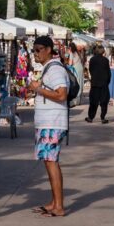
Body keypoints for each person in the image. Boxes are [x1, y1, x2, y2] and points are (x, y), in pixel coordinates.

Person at [28, 35, 70, 216]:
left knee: (51, 162)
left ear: (47, 49)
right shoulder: (49, 69)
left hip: (52, 123)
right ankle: (55, 202)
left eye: (38, 50)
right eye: (33, 50)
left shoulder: (55, 70)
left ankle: (59, 206)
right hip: (48, 122)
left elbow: (62, 95)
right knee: (49, 161)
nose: (35, 54)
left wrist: (38, 89)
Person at [86, 42, 111, 123]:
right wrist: (107, 81)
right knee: (104, 101)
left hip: (95, 83)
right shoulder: (106, 60)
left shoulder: (92, 60)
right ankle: (103, 117)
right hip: (104, 83)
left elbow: (90, 70)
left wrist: (93, 78)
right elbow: (108, 72)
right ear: (103, 51)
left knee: (93, 101)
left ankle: (91, 117)